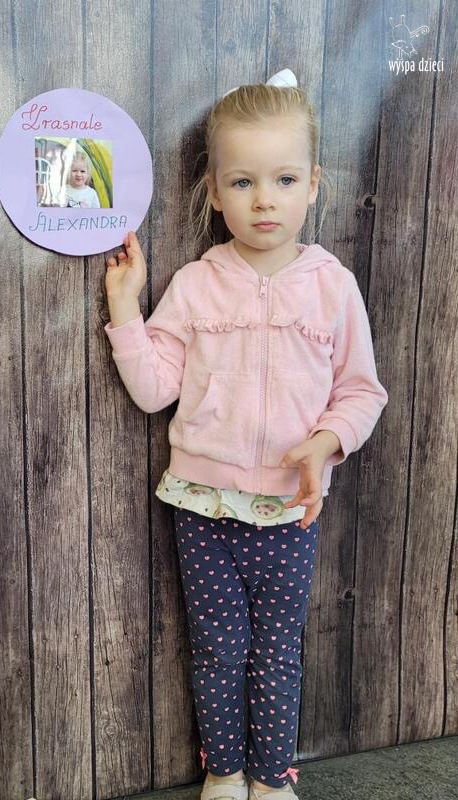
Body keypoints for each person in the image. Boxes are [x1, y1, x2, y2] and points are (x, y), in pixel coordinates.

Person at [103, 68, 388, 800]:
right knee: (218, 652)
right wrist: (126, 309)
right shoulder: (196, 283)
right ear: (213, 190)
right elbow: (153, 389)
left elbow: (362, 391)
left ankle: (272, 778)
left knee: (278, 655)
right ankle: (224, 774)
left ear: (314, 185)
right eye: (242, 182)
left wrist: (326, 441)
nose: (265, 199)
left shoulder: (333, 286)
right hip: (201, 506)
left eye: (285, 179)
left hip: (291, 509)